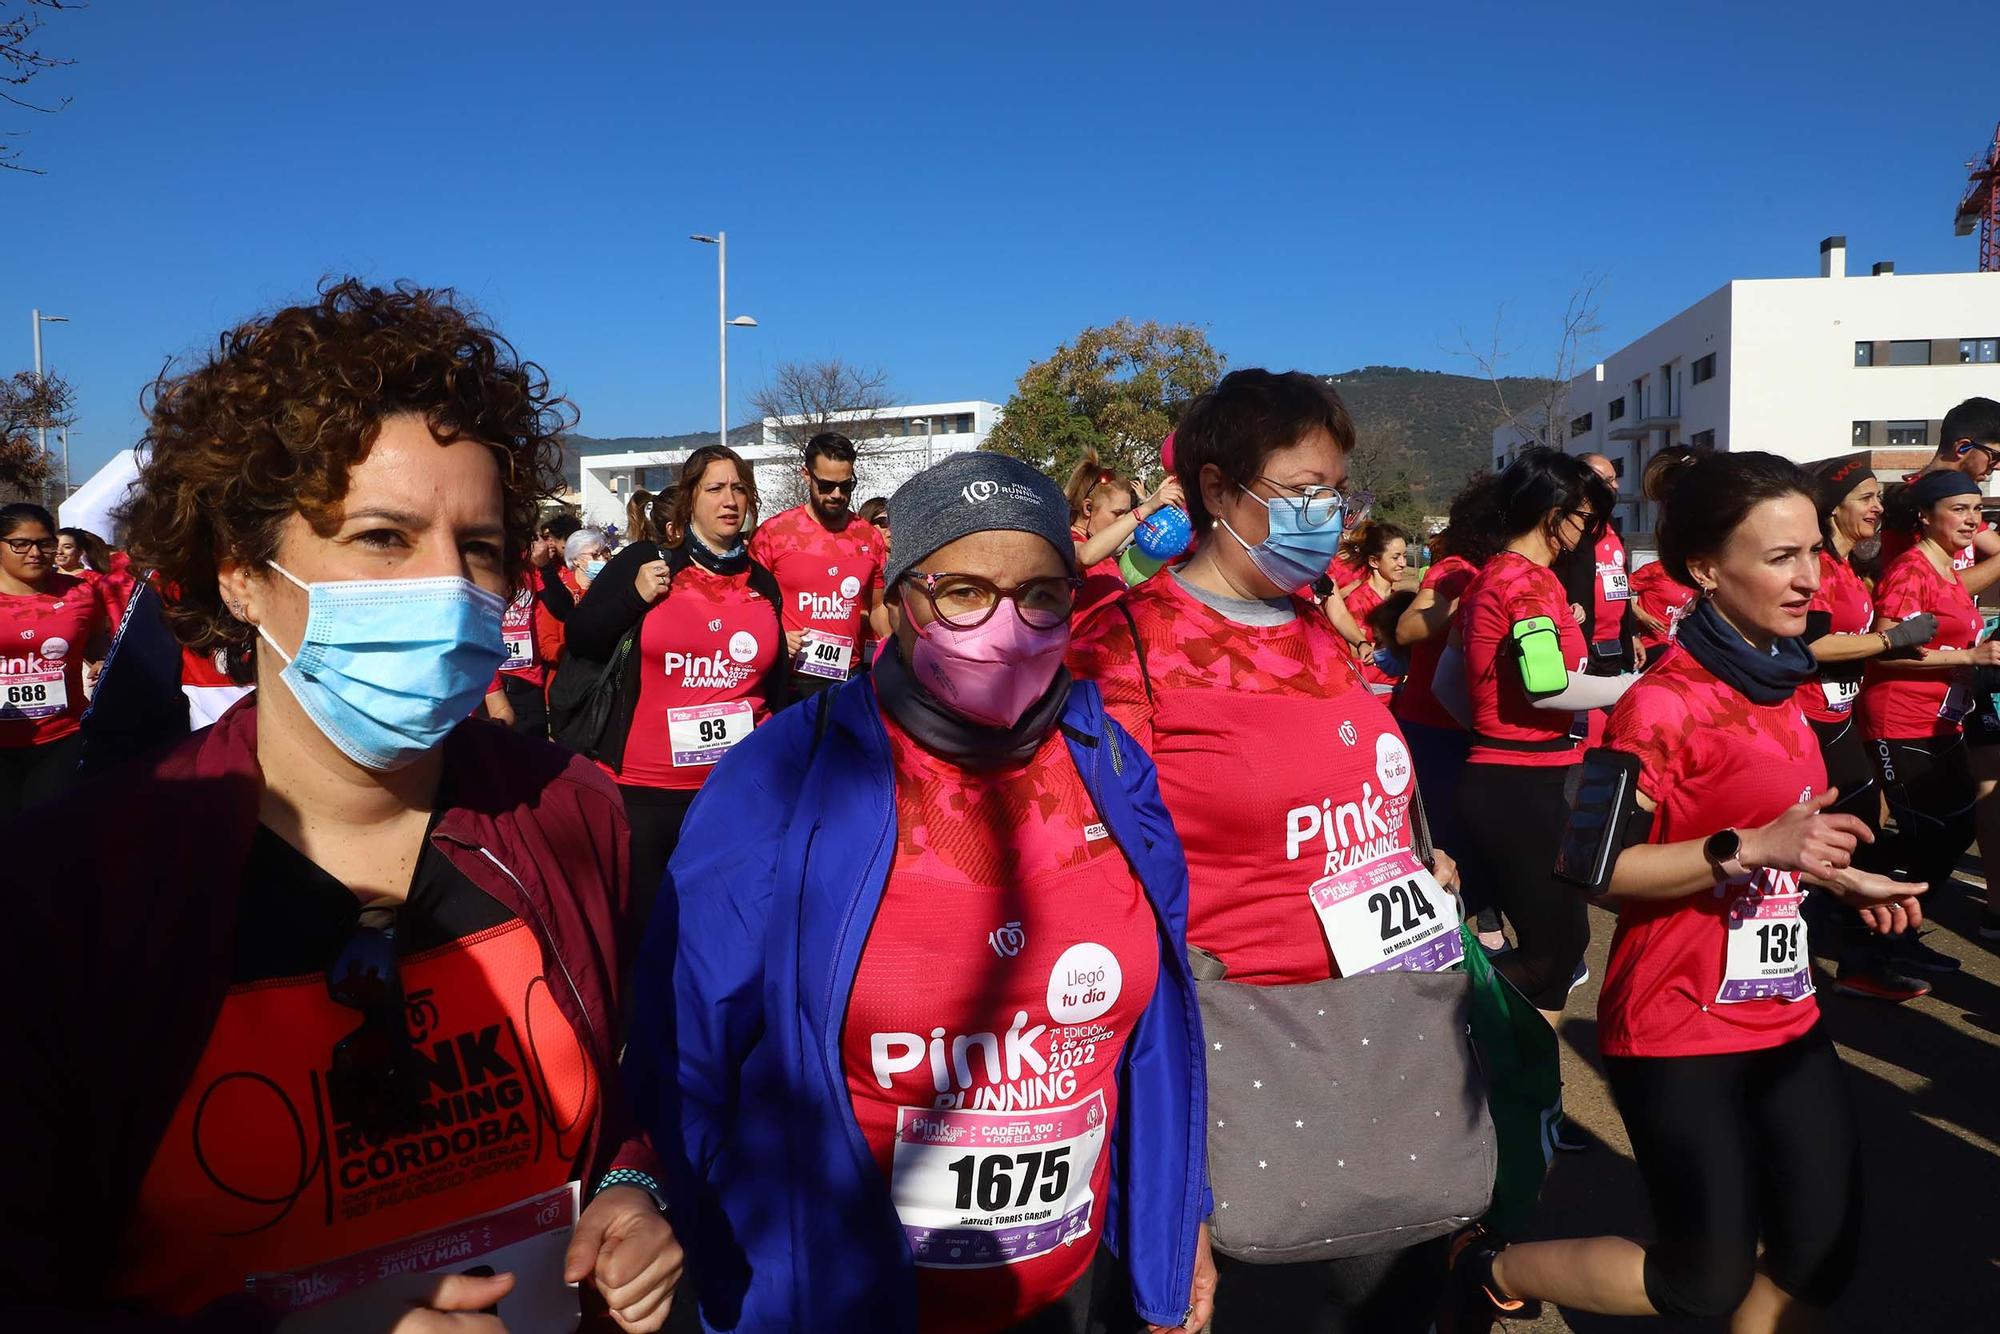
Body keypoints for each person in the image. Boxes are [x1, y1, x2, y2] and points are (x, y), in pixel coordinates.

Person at [0, 279, 683, 1331]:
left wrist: (633, 1189)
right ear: (239, 573)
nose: (450, 585)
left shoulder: (569, 814)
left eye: (484, 545)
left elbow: (613, 1111)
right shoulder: (67, 892)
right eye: (381, 536)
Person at [628, 451, 1213, 1334]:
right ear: (893, 602)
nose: (1008, 625)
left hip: (1064, 1294)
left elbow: (1158, 1036)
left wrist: (1179, 1219)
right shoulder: (782, 777)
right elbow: (687, 1058)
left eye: (1042, 594)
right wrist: (723, 1262)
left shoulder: (1111, 761)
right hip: (843, 1302)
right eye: (964, 592)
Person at [1444, 451, 1924, 1334]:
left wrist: (1836, 874)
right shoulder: (1660, 706)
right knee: (1701, 1278)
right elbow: (1595, 870)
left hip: (1783, 1011)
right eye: (1780, 557)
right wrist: (1749, 848)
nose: (1810, 577)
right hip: (1678, 1018)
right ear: (1705, 568)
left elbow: (1782, 832)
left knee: (1821, 1256)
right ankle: (1488, 1264)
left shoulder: (1778, 682)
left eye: (1814, 550)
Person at [1069, 369, 1471, 1333]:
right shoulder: (1123, 649)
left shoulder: (1319, 634)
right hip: (1242, 1059)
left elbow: (1363, 791)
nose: (1323, 514)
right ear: (1214, 491)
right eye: (1298, 491)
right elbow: (1094, 885)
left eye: (1335, 492)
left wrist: (1416, 856)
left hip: (1394, 1030)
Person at [561, 445, 790, 940]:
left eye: (739, 488)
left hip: (733, 794)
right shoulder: (648, 562)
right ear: (689, 501)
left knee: (726, 939)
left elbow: (776, 689)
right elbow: (580, 638)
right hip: (644, 796)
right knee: (642, 944)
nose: (729, 499)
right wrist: (633, 596)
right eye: (715, 488)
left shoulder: (764, 585)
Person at [1442, 448, 1632, 1036]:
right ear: (1555, 514)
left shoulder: (1487, 578)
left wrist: (1490, 729)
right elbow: (1547, 687)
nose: (1588, 532)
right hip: (1523, 783)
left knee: (1555, 944)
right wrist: (1634, 687)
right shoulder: (1528, 583)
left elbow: (1447, 682)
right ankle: (1441, 1027)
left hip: (1505, 778)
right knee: (1559, 945)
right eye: (1584, 518)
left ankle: (1523, 1089)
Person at [1798, 454, 1950, 1000]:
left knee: (1856, 834)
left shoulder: (1849, 569)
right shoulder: (1815, 567)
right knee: (1835, 837)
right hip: (1805, 721)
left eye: (1878, 497)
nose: (1877, 507)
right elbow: (1810, 648)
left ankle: (1853, 958)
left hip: (1841, 719)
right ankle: (1828, 962)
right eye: (1865, 497)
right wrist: (1893, 641)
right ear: (1832, 508)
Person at [1857, 468, 2000, 947]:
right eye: (1958, 510)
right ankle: (1870, 938)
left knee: (1955, 829)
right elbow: (1884, 647)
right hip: (1899, 720)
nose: (1970, 520)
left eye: (1976, 511)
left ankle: (1899, 936)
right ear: (1925, 515)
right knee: (1931, 834)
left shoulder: (1947, 569)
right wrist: (1968, 657)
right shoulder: (1910, 570)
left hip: (1940, 720)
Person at [1393, 475, 1505, 949]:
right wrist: (1464, 599)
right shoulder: (1455, 569)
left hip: (1475, 728)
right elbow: (1406, 629)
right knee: (1441, 840)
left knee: (1481, 835)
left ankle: (1488, 929)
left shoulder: (1515, 572)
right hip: (1432, 728)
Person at [748, 431, 890, 699]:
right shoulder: (775, 533)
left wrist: (895, 648)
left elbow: (877, 607)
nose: (836, 494)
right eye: (826, 485)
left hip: (850, 678)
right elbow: (748, 605)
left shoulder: (868, 536)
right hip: (791, 681)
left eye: (846, 486)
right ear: (806, 475)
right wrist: (776, 635)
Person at [0, 502, 111, 817]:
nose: (34, 552)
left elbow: (93, 640)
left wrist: (101, 658)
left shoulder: (81, 594)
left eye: (44, 543)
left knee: (48, 831)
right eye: (20, 543)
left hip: (61, 736)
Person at [1873, 396, 2000, 578]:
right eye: (1994, 456)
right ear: (1962, 448)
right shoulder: (1914, 499)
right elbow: (1935, 587)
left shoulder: (1958, 497)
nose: (1997, 466)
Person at [1065, 450, 1187, 619]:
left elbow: (1127, 535)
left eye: (1126, 513)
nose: (1123, 520)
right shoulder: (1069, 540)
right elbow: (1084, 556)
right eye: (1117, 513)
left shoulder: (1103, 547)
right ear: (1088, 508)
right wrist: (1146, 507)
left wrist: (1154, 504)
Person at [1556, 453, 1640, 676]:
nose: (1616, 485)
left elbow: (1622, 584)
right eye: (1609, 480)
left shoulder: (1611, 526)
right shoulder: (1570, 529)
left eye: (1615, 479)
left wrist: (1632, 635)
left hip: (1615, 646)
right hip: (1581, 644)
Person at [1342, 520, 1411, 694]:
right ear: (1374, 561)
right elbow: (1356, 653)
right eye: (1395, 557)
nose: (1403, 563)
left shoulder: (1396, 598)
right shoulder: (1359, 599)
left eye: (1405, 555)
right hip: (1372, 694)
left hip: (1397, 694)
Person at [536, 525, 608, 676]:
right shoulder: (560, 593)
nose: (602, 559)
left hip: (599, 681)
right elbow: (546, 646)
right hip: (565, 680)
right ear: (576, 560)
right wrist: (578, 655)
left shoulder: (609, 592)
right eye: (595, 555)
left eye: (604, 554)